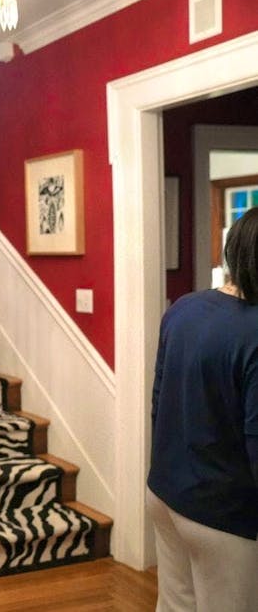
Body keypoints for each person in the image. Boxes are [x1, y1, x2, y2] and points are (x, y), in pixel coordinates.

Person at [147, 207, 258, 612]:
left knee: (174, 605)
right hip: (227, 515)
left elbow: (159, 403)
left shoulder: (184, 308)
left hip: (165, 493)